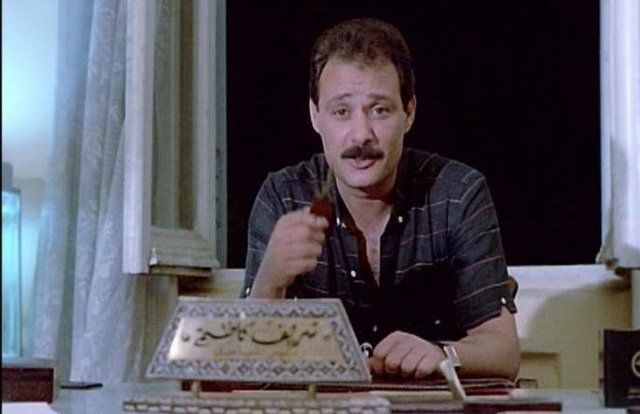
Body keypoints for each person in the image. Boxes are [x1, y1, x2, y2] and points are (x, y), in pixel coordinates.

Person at [240, 17, 519, 381]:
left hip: (431, 404)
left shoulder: (459, 193)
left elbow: (503, 352)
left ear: (409, 113)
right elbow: (241, 362)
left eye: (380, 110)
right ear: (315, 116)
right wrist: (269, 280)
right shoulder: (283, 196)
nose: (361, 135)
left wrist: (441, 354)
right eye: (342, 112)